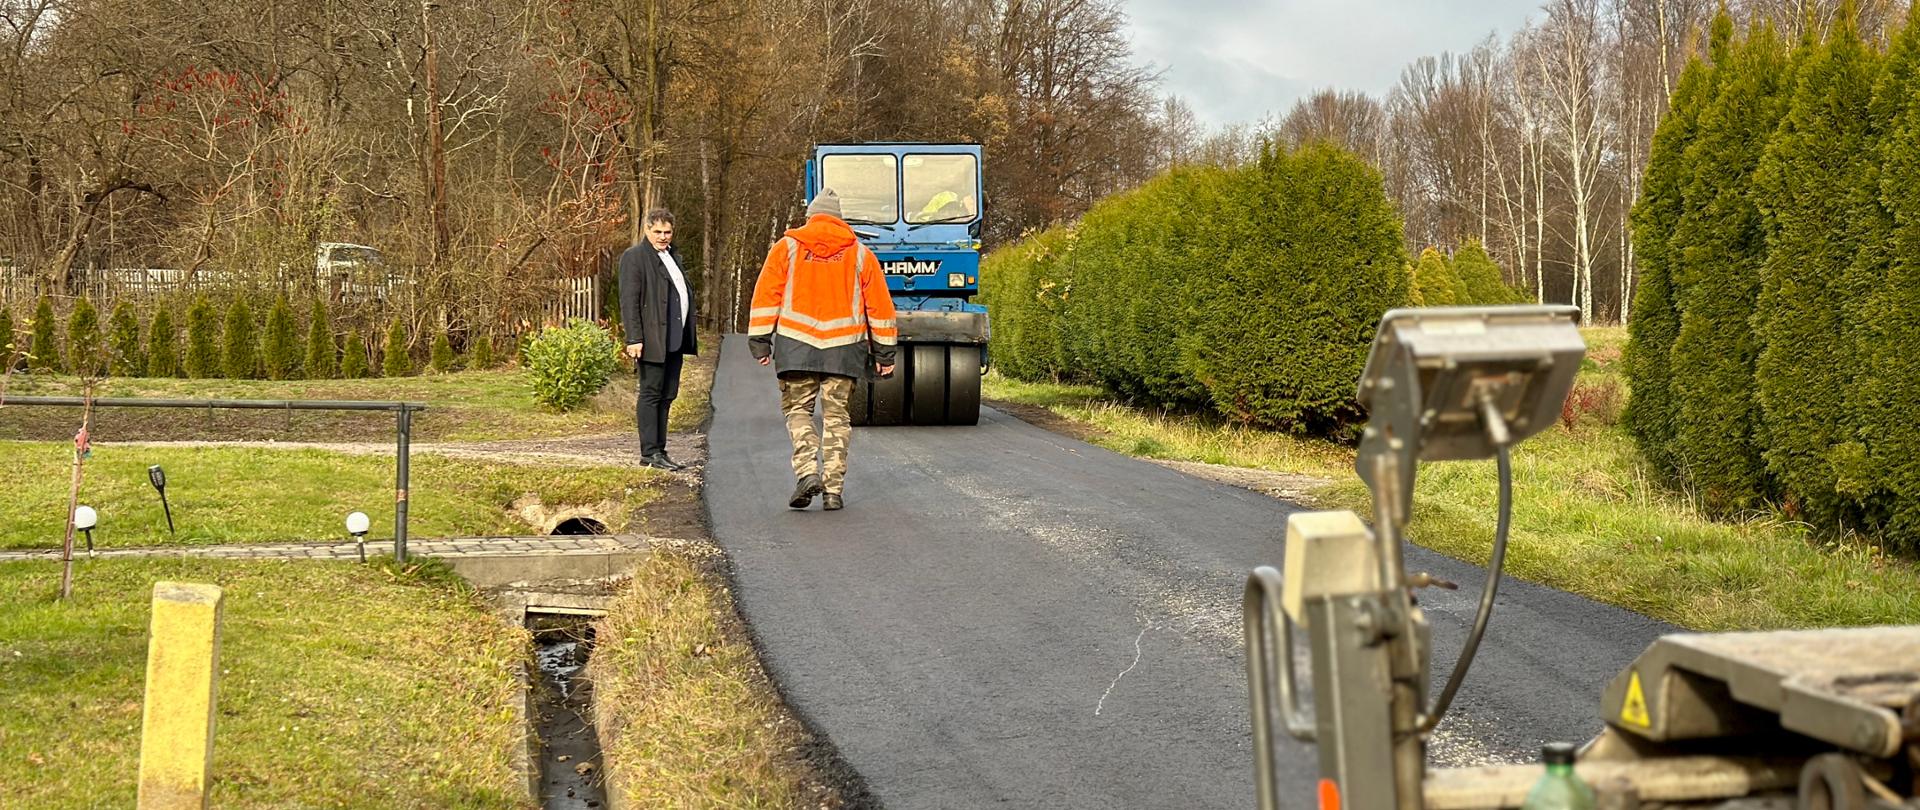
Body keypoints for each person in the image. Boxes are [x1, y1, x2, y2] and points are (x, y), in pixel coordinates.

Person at [747, 188, 898, 510]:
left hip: (796, 347)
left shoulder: (786, 248)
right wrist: (885, 354)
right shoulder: (860, 254)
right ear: (840, 220)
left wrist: (760, 340)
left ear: (810, 217)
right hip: (844, 351)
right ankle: (833, 491)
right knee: (836, 417)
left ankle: (806, 473)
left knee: (798, 411)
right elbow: (880, 307)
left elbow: (766, 295)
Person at [619, 208, 698, 471]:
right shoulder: (635, 257)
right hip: (651, 339)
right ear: (647, 230)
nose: (663, 237)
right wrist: (634, 338)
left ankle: (660, 450)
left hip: (673, 340)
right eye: (658, 232)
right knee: (651, 394)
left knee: (667, 395)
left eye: (668, 232)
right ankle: (649, 452)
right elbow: (629, 302)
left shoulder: (673, 256)